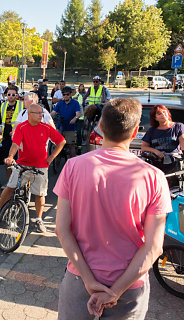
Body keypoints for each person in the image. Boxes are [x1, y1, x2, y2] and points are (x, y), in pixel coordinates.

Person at [54, 98, 171, 319]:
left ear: (100, 128)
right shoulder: (154, 177)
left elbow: (62, 229)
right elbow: (154, 247)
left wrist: (89, 281)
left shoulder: (73, 167)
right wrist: (116, 291)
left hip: (79, 280)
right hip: (130, 286)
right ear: (136, 130)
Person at [0, 104, 65, 229]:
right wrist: (11, 156)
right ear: (29, 114)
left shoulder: (46, 127)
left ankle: (38, 219)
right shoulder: (22, 127)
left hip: (41, 167)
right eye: (38, 113)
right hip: (22, 164)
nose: (41, 115)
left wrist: (51, 158)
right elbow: (15, 144)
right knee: (10, 187)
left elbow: (61, 141)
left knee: (40, 194)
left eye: (42, 113)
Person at [141, 105, 184, 174]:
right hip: (155, 165)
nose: (163, 115)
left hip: (173, 164)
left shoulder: (178, 126)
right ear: (155, 118)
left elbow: (183, 143)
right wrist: (155, 151)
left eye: (164, 112)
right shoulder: (151, 130)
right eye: (159, 113)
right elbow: (144, 147)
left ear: (168, 113)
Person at [0, 85, 24, 180]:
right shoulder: (3, 105)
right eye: (9, 94)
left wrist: (16, 130)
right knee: (7, 160)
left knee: (19, 160)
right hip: (6, 136)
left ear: (17, 95)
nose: (11, 96)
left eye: (13, 94)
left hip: (18, 137)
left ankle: (20, 181)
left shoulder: (22, 105)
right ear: (6, 95)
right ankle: (9, 182)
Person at [50, 86, 81, 157]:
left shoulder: (75, 103)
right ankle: (56, 161)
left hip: (70, 127)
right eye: (64, 94)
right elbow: (53, 112)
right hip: (60, 125)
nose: (66, 96)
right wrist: (47, 117)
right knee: (56, 144)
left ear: (70, 94)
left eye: (67, 94)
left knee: (71, 146)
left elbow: (78, 113)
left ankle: (72, 163)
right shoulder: (60, 103)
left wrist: (74, 119)